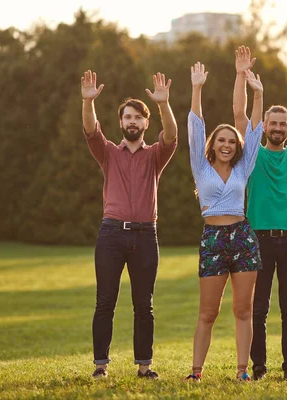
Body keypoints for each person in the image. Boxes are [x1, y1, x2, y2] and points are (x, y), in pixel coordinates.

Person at [81, 70, 178, 379]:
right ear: (120, 122)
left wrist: (163, 104)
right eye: (127, 117)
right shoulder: (108, 152)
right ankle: (100, 366)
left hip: (146, 236)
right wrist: (87, 101)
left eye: (138, 117)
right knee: (105, 302)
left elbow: (173, 135)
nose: (132, 121)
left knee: (144, 305)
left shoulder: (155, 156)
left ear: (146, 123)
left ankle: (145, 366)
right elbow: (90, 130)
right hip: (110, 234)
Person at [232, 46, 287, 381]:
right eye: (273, 122)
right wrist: (241, 75)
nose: (278, 127)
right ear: (265, 125)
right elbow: (240, 116)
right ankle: (258, 368)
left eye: (283, 123)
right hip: (258, 238)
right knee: (259, 308)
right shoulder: (253, 153)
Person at [184, 61, 264, 382]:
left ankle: (243, 372)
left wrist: (256, 95)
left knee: (243, 310)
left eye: (232, 141)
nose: (228, 145)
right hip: (213, 239)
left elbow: (255, 131)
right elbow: (195, 126)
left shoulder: (243, 168)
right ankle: (196, 372)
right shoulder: (200, 167)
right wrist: (197, 88)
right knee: (208, 313)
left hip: (242, 237)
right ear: (213, 145)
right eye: (222, 141)